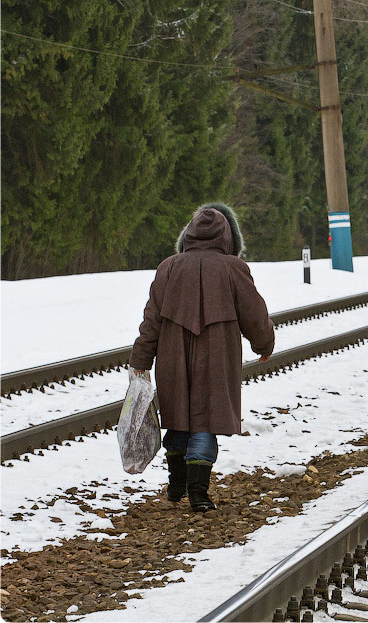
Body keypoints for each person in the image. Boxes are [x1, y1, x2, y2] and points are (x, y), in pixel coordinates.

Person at [129, 203, 275, 512]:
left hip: (172, 357)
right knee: (204, 422)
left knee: (178, 420)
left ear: (188, 236)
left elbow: (151, 319)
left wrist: (141, 360)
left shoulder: (168, 268)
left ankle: (176, 483)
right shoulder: (234, 268)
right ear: (227, 239)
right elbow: (255, 314)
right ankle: (198, 492)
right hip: (216, 358)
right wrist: (264, 344)